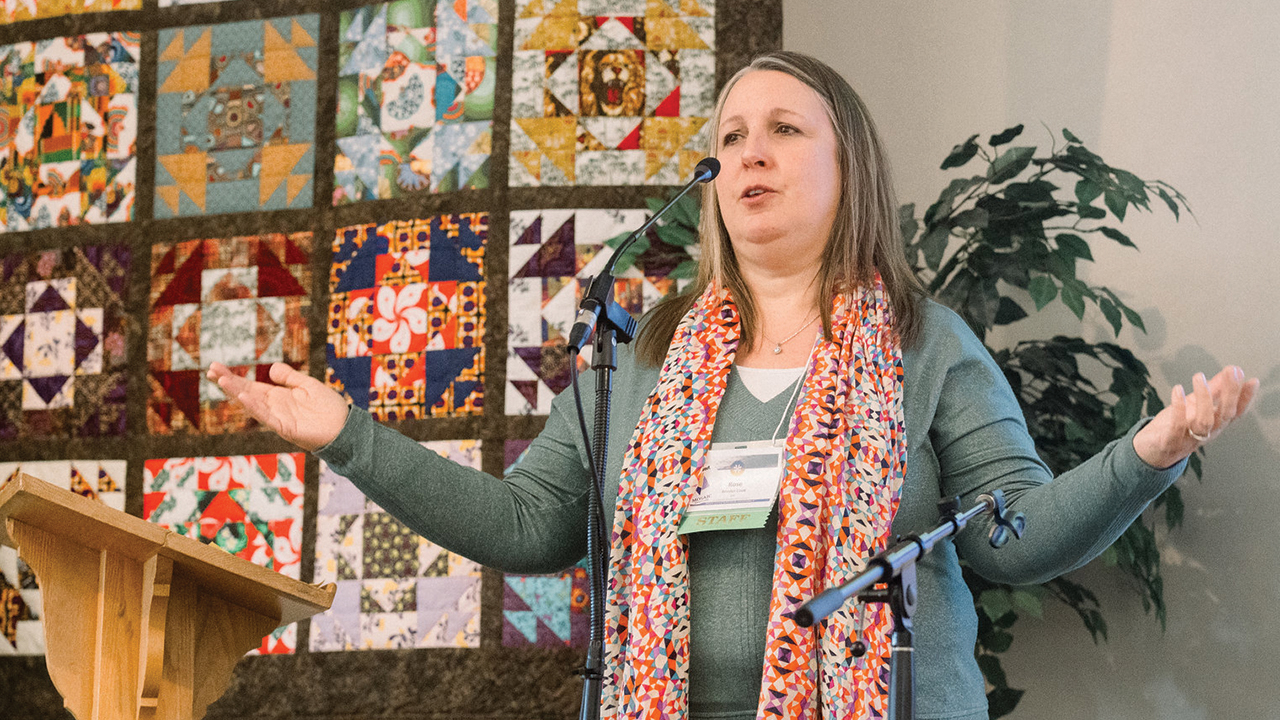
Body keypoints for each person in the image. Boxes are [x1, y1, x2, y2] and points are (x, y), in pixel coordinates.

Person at [209, 52, 1259, 720]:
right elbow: (530, 524)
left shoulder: (924, 342)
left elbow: (1010, 539)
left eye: (784, 130)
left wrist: (1148, 453)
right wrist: (349, 435)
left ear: (849, 166)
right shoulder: (641, 355)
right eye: (729, 137)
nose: (749, 153)